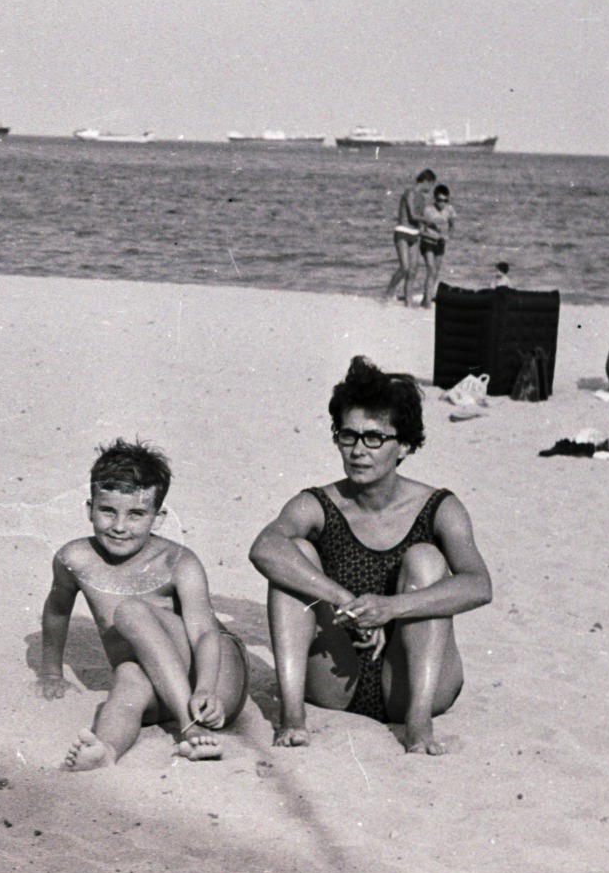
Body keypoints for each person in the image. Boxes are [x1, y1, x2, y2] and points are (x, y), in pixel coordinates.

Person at [248, 357, 492, 756]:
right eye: (349, 436)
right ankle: (292, 717)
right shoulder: (320, 502)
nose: (359, 451)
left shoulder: (438, 506)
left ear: (406, 446)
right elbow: (264, 548)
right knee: (295, 554)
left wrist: (391, 608)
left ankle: (417, 725)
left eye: (374, 438)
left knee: (427, 560)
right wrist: (341, 598)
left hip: (414, 678)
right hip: (334, 679)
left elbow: (479, 585)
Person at [39, 440, 250, 771]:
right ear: (89, 509)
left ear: (159, 517)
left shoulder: (176, 561)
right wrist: (51, 672)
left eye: (136, 514)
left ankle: (189, 729)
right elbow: (57, 611)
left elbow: (206, 634)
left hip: (216, 677)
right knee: (127, 676)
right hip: (160, 687)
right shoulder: (74, 559)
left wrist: (206, 688)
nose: (120, 526)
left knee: (130, 611)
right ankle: (107, 750)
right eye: (108, 511)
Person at [382, 169, 435, 306]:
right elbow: (412, 215)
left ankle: (408, 301)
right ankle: (389, 292)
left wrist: (428, 232)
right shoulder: (410, 193)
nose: (431, 188)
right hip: (402, 231)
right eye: (431, 185)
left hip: (415, 234)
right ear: (425, 181)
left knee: (413, 270)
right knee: (405, 268)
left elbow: (420, 219)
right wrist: (429, 220)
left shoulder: (422, 197)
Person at [417, 184, 454, 308]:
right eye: (439, 200)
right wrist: (431, 228)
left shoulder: (450, 210)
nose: (442, 203)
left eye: (445, 200)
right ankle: (427, 301)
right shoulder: (427, 210)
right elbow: (420, 230)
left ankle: (425, 297)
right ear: (434, 198)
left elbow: (452, 225)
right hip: (427, 242)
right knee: (431, 269)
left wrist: (448, 236)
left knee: (436, 272)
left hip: (440, 243)